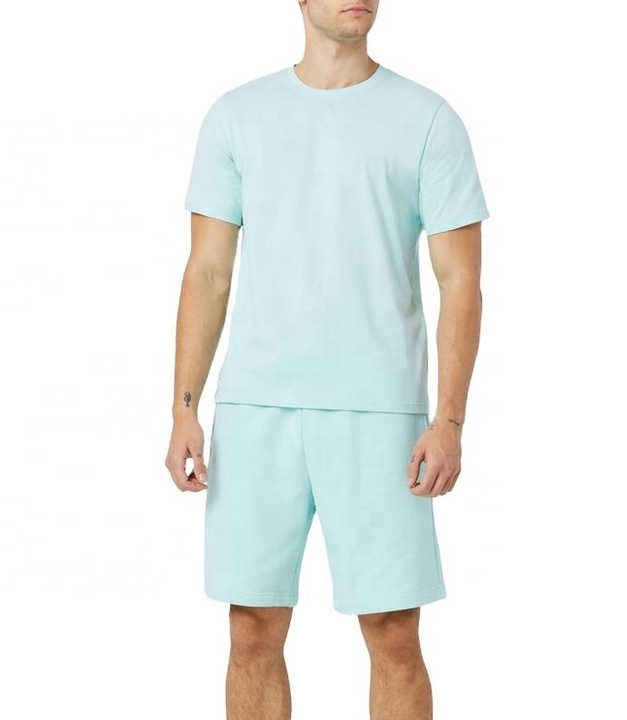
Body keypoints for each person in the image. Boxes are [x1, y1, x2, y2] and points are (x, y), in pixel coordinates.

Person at [165, 1, 489, 717]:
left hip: (381, 413)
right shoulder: (237, 116)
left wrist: (449, 421)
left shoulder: (427, 119)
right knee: (251, 629)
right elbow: (208, 272)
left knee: (393, 632)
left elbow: (460, 281)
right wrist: (184, 409)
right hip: (256, 408)